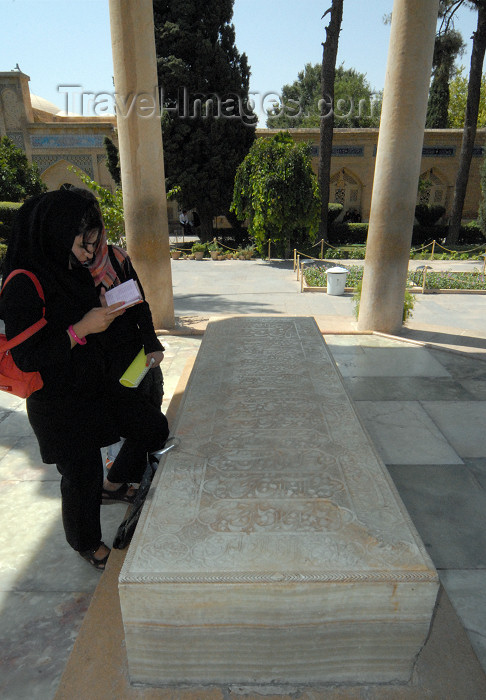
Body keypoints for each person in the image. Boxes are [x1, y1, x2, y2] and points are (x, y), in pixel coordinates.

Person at [0, 189, 169, 570]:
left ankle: (113, 485)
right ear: (58, 232)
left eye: (95, 243)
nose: (92, 253)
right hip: (57, 401)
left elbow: (125, 307)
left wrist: (111, 321)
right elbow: (29, 357)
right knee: (81, 474)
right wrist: (82, 329)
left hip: (93, 385)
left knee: (151, 426)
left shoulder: (68, 269)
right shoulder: (23, 283)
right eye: (84, 243)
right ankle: (86, 542)